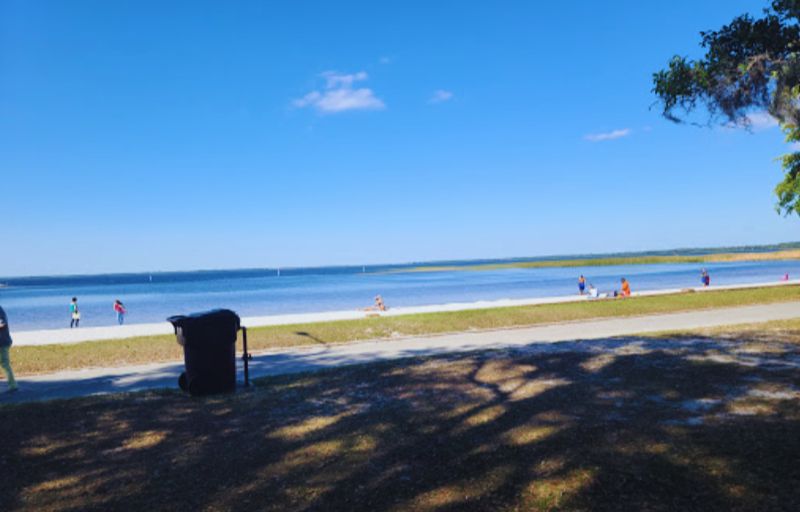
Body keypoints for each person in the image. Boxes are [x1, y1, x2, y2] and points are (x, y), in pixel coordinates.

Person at [0, 305, 18, 392]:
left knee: (5, 363)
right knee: (4, 363)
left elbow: (2, 324)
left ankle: (13, 385)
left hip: (2, 342)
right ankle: (13, 385)